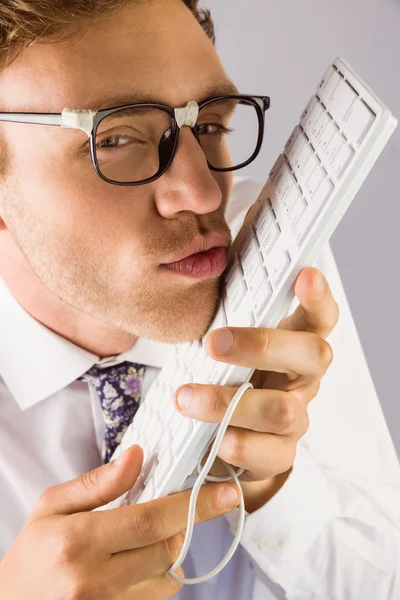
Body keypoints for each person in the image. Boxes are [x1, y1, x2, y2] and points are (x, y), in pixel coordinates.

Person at [0, 0, 399, 598]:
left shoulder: (272, 255)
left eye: (208, 124)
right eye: (115, 139)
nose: (204, 191)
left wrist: (272, 491)